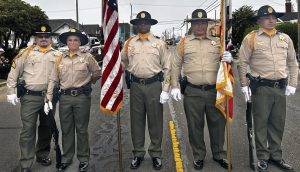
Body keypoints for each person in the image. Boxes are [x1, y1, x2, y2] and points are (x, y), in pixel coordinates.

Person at [170, 9, 232, 170]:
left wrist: (229, 60)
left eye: (202, 22)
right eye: (196, 22)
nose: (199, 25)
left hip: (214, 91)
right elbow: (175, 65)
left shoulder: (218, 42)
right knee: (195, 126)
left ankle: (219, 154)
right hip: (193, 91)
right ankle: (199, 156)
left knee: (218, 124)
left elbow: (225, 66)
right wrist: (175, 86)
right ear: (191, 25)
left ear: (207, 24)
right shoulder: (184, 42)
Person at [237, 5, 297, 172]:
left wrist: (293, 84)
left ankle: (276, 156)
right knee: (261, 124)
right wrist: (243, 86)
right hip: (261, 88)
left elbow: (293, 63)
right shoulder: (251, 38)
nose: (271, 20)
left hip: (280, 87)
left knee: (278, 124)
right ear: (259, 21)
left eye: (273, 17)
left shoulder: (285, 39)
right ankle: (263, 157)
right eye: (267, 18)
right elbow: (242, 63)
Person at [44, 28, 101, 172]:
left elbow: (97, 72)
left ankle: (83, 159)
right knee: (66, 129)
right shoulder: (60, 59)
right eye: (70, 40)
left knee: (81, 129)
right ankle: (67, 158)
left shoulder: (87, 57)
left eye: (76, 40)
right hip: (65, 98)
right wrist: (49, 98)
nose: (73, 42)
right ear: (66, 42)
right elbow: (53, 79)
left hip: (82, 97)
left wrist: (88, 83)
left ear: (80, 42)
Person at [6, 24, 61, 172]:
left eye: (46, 36)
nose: (43, 39)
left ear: (51, 38)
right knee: (28, 130)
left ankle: (42, 155)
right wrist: (11, 91)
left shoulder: (57, 55)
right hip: (30, 98)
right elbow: (13, 73)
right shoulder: (25, 53)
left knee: (46, 128)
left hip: (49, 98)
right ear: (35, 38)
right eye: (40, 36)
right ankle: (26, 162)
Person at [121, 11, 171, 170]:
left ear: (150, 24)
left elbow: (167, 68)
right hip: (135, 85)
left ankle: (156, 153)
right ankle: (138, 153)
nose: (143, 25)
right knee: (136, 121)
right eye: (140, 23)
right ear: (137, 25)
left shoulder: (159, 43)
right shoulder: (129, 43)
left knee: (155, 121)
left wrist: (166, 89)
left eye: (146, 22)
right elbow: (123, 62)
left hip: (154, 85)